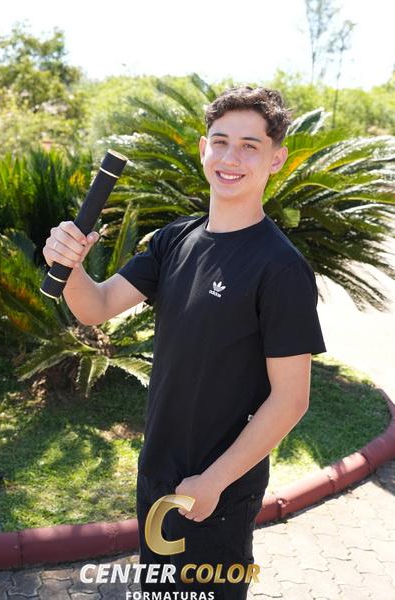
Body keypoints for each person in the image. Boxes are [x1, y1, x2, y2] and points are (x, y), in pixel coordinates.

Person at [43, 85, 327, 599]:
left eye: (249, 146)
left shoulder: (281, 268)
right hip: (157, 473)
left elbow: (291, 399)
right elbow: (96, 307)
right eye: (220, 142)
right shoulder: (176, 239)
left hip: (216, 492)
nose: (230, 158)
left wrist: (213, 482)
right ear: (203, 149)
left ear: (276, 159)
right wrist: (72, 265)